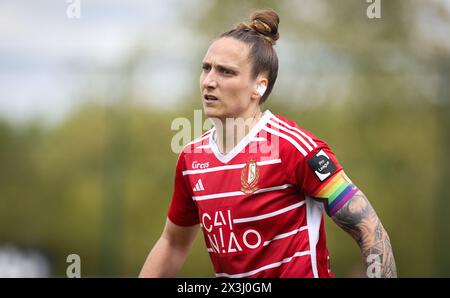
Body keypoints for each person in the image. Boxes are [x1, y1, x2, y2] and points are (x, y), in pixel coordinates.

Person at [139, 9, 397, 278]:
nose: (209, 81)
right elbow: (172, 243)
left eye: (226, 72)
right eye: (206, 68)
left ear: (259, 87)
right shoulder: (192, 158)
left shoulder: (293, 147)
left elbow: (371, 231)